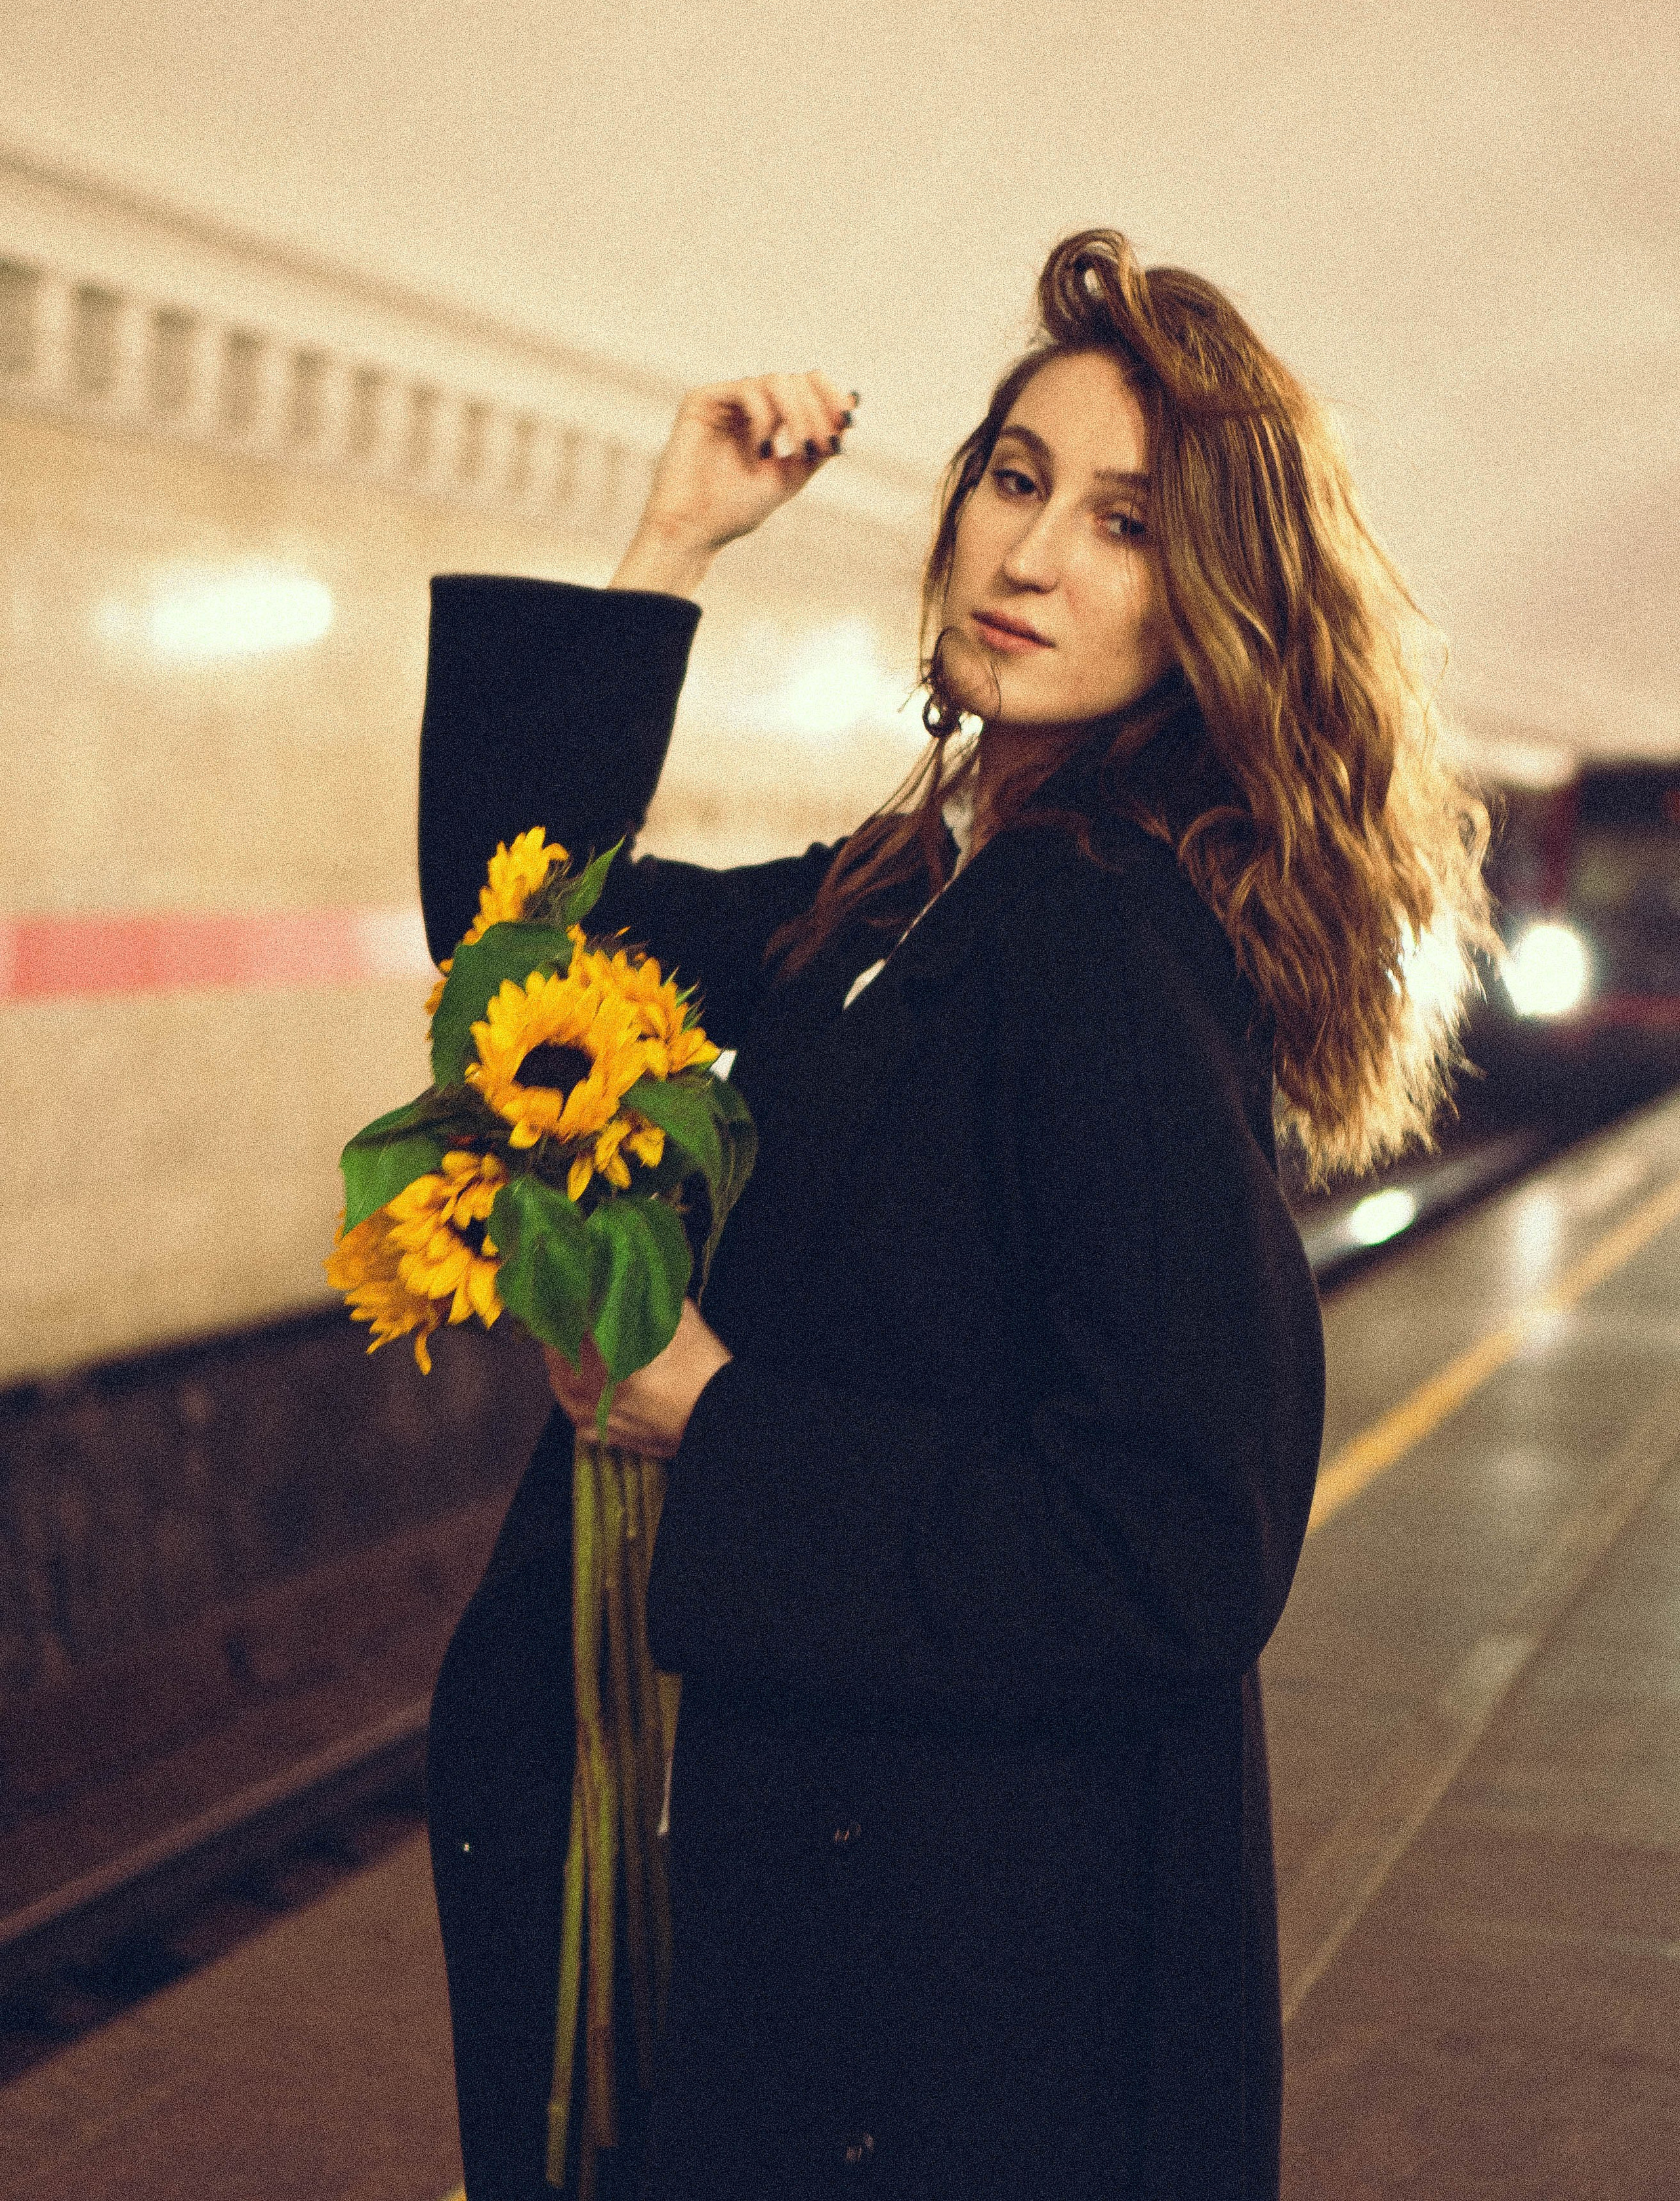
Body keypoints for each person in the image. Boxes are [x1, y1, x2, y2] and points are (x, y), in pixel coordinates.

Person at [417, 228, 1495, 2200]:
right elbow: (527, 964)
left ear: (1215, 602)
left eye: (1127, 527)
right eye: (1017, 481)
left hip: (972, 1985)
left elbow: (1184, 1536)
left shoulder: (1106, 938)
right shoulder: (934, 873)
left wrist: (710, 1417)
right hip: (868, 1902)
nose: (1030, 562)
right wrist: (673, 541)